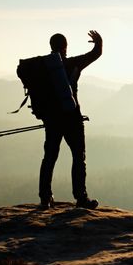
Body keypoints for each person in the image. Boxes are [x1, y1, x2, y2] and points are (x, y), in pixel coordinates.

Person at [39, 30, 102, 209]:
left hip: (51, 120)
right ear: (65, 47)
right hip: (72, 118)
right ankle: (80, 197)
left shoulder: (42, 67)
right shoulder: (73, 63)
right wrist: (98, 42)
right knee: (78, 156)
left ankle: (45, 197)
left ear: (51, 47)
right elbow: (95, 54)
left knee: (50, 157)